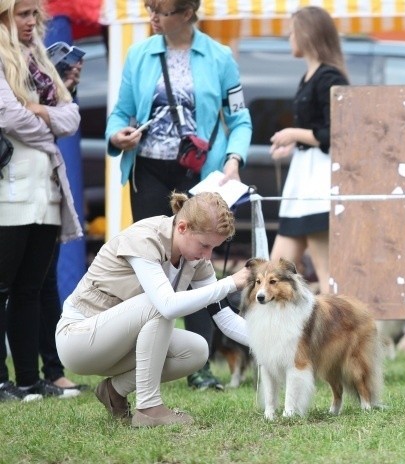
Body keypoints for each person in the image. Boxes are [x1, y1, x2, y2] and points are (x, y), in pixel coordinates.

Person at [105, 0, 252, 390]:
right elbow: (119, 114)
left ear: (187, 13)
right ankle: (139, 356)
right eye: (150, 9)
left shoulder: (219, 56)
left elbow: (240, 118)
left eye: (161, 11)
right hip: (149, 170)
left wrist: (234, 159)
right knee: (152, 263)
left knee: (197, 264)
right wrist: (118, 135)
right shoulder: (138, 54)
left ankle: (199, 365)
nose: (152, 18)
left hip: (200, 173)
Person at [55, 192, 251, 427]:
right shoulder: (145, 237)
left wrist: (278, 343)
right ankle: (149, 409)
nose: (208, 256)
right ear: (182, 227)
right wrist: (229, 283)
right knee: (159, 304)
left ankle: (114, 390)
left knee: (197, 350)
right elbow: (166, 305)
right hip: (78, 340)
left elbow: (225, 318)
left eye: (214, 248)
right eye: (205, 245)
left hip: (118, 344)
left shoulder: (195, 258)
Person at [0, 0, 82, 402]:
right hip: (8, 189)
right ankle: (2, 380)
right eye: (23, 14)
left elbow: (73, 116)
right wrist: (48, 121)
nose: (31, 22)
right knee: (2, 287)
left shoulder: (37, 58)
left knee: (31, 287)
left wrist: (41, 113)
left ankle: (30, 380)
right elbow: (7, 116)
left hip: (47, 187)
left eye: (35, 14)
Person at [268, 5, 348, 295]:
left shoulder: (330, 78)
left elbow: (335, 132)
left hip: (319, 183)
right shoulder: (312, 76)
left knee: (328, 276)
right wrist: (294, 143)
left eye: (291, 33)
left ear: (306, 34)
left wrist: (293, 134)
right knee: (274, 270)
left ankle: (339, 336)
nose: (289, 38)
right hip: (304, 179)